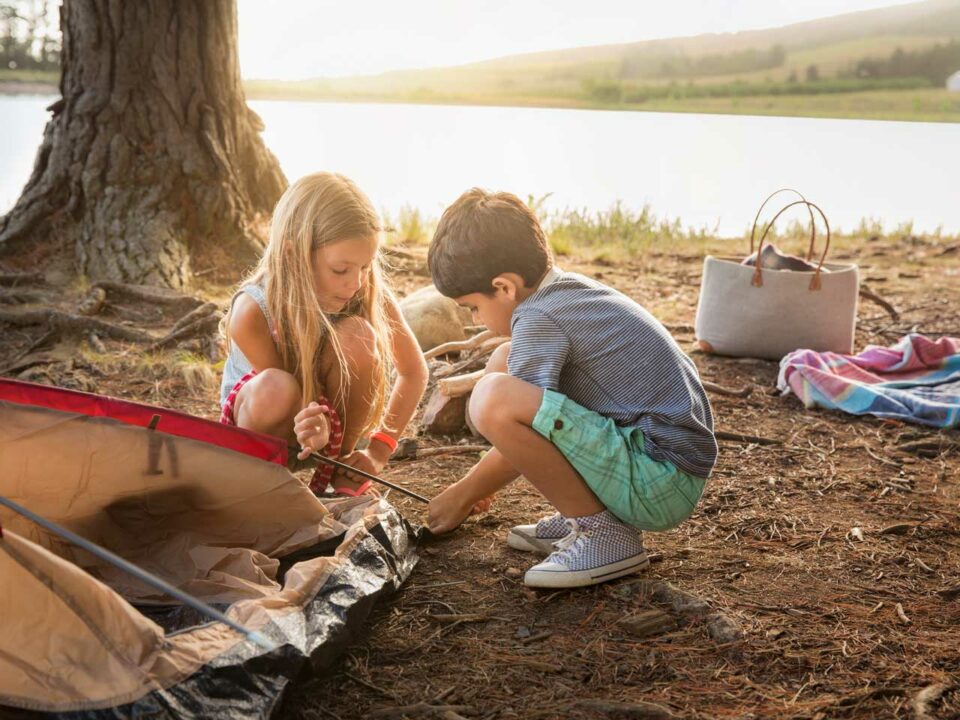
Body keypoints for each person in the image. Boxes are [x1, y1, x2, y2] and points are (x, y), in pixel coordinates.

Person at [426, 189, 717, 588]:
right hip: (664, 465)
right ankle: (594, 513)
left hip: (659, 480)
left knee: (492, 399)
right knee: (502, 363)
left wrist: (463, 493)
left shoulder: (540, 317)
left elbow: (521, 425)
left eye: (473, 307)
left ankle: (603, 534)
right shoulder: (565, 294)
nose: (476, 321)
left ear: (504, 287)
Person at [219, 172, 428, 495]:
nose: (355, 282)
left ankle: (343, 469)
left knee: (358, 334)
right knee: (277, 387)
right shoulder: (252, 311)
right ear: (292, 255)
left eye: (365, 266)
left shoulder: (365, 291)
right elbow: (286, 399)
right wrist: (312, 423)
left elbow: (414, 371)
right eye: (340, 270)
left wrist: (378, 450)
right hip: (268, 428)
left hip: (330, 433)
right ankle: (257, 487)